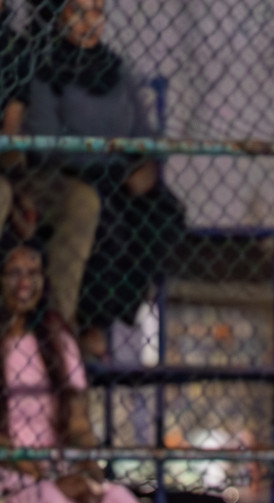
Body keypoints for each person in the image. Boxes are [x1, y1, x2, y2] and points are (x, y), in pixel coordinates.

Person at [26, 0, 183, 355]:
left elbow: (146, 132)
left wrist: (147, 162)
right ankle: (92, 324)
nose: (89, 21)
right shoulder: (47, 70)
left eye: (97, 11)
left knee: (165, 214)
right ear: (58, 16)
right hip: (75, 172)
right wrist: (104, 156)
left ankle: (116, 313)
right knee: (106, 218)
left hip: (121, 172)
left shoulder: (115, 69)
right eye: (77, 11)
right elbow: (46, 141)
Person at [0, 244, 140, 503]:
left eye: (33, 273)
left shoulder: (58, 342)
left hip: (58, 465)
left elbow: (79, 425)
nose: (25, 282)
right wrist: (44, 480)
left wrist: (86, 472)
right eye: (14, 273)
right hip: (12, 469)